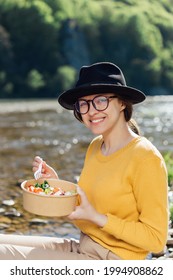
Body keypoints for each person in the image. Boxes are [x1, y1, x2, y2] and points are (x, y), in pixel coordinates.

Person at [0, 62, 168, 260]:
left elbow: (157, 240)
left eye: (101, 100)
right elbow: (83, 212)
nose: (91, 111)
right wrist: (57, 188)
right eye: (84, 103)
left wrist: (99, 218)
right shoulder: (96, 146)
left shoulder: (146, 157)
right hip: (84, 246)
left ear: (122, 103)